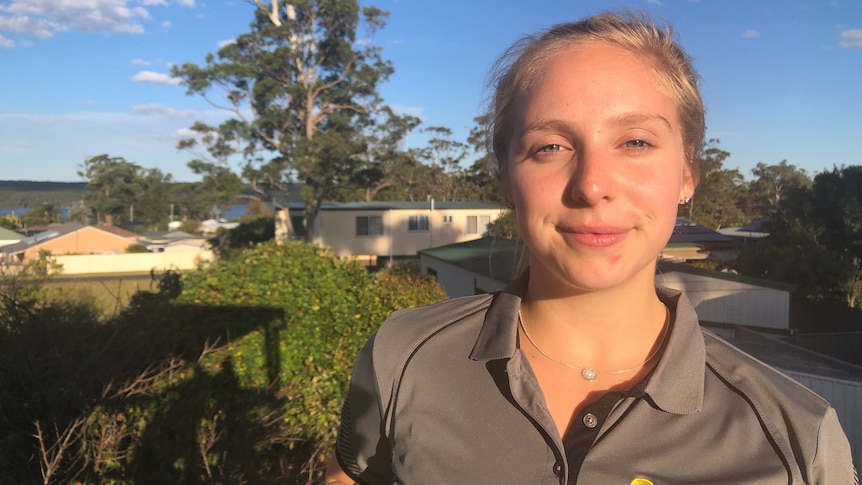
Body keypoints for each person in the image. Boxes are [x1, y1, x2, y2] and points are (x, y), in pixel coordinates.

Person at [325, 11, 857, 485]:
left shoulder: (796, 440)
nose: (592, 184)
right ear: (507, 179)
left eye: (635, 142)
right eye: (550, 146)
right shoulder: (403, 356)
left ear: (688, 172)